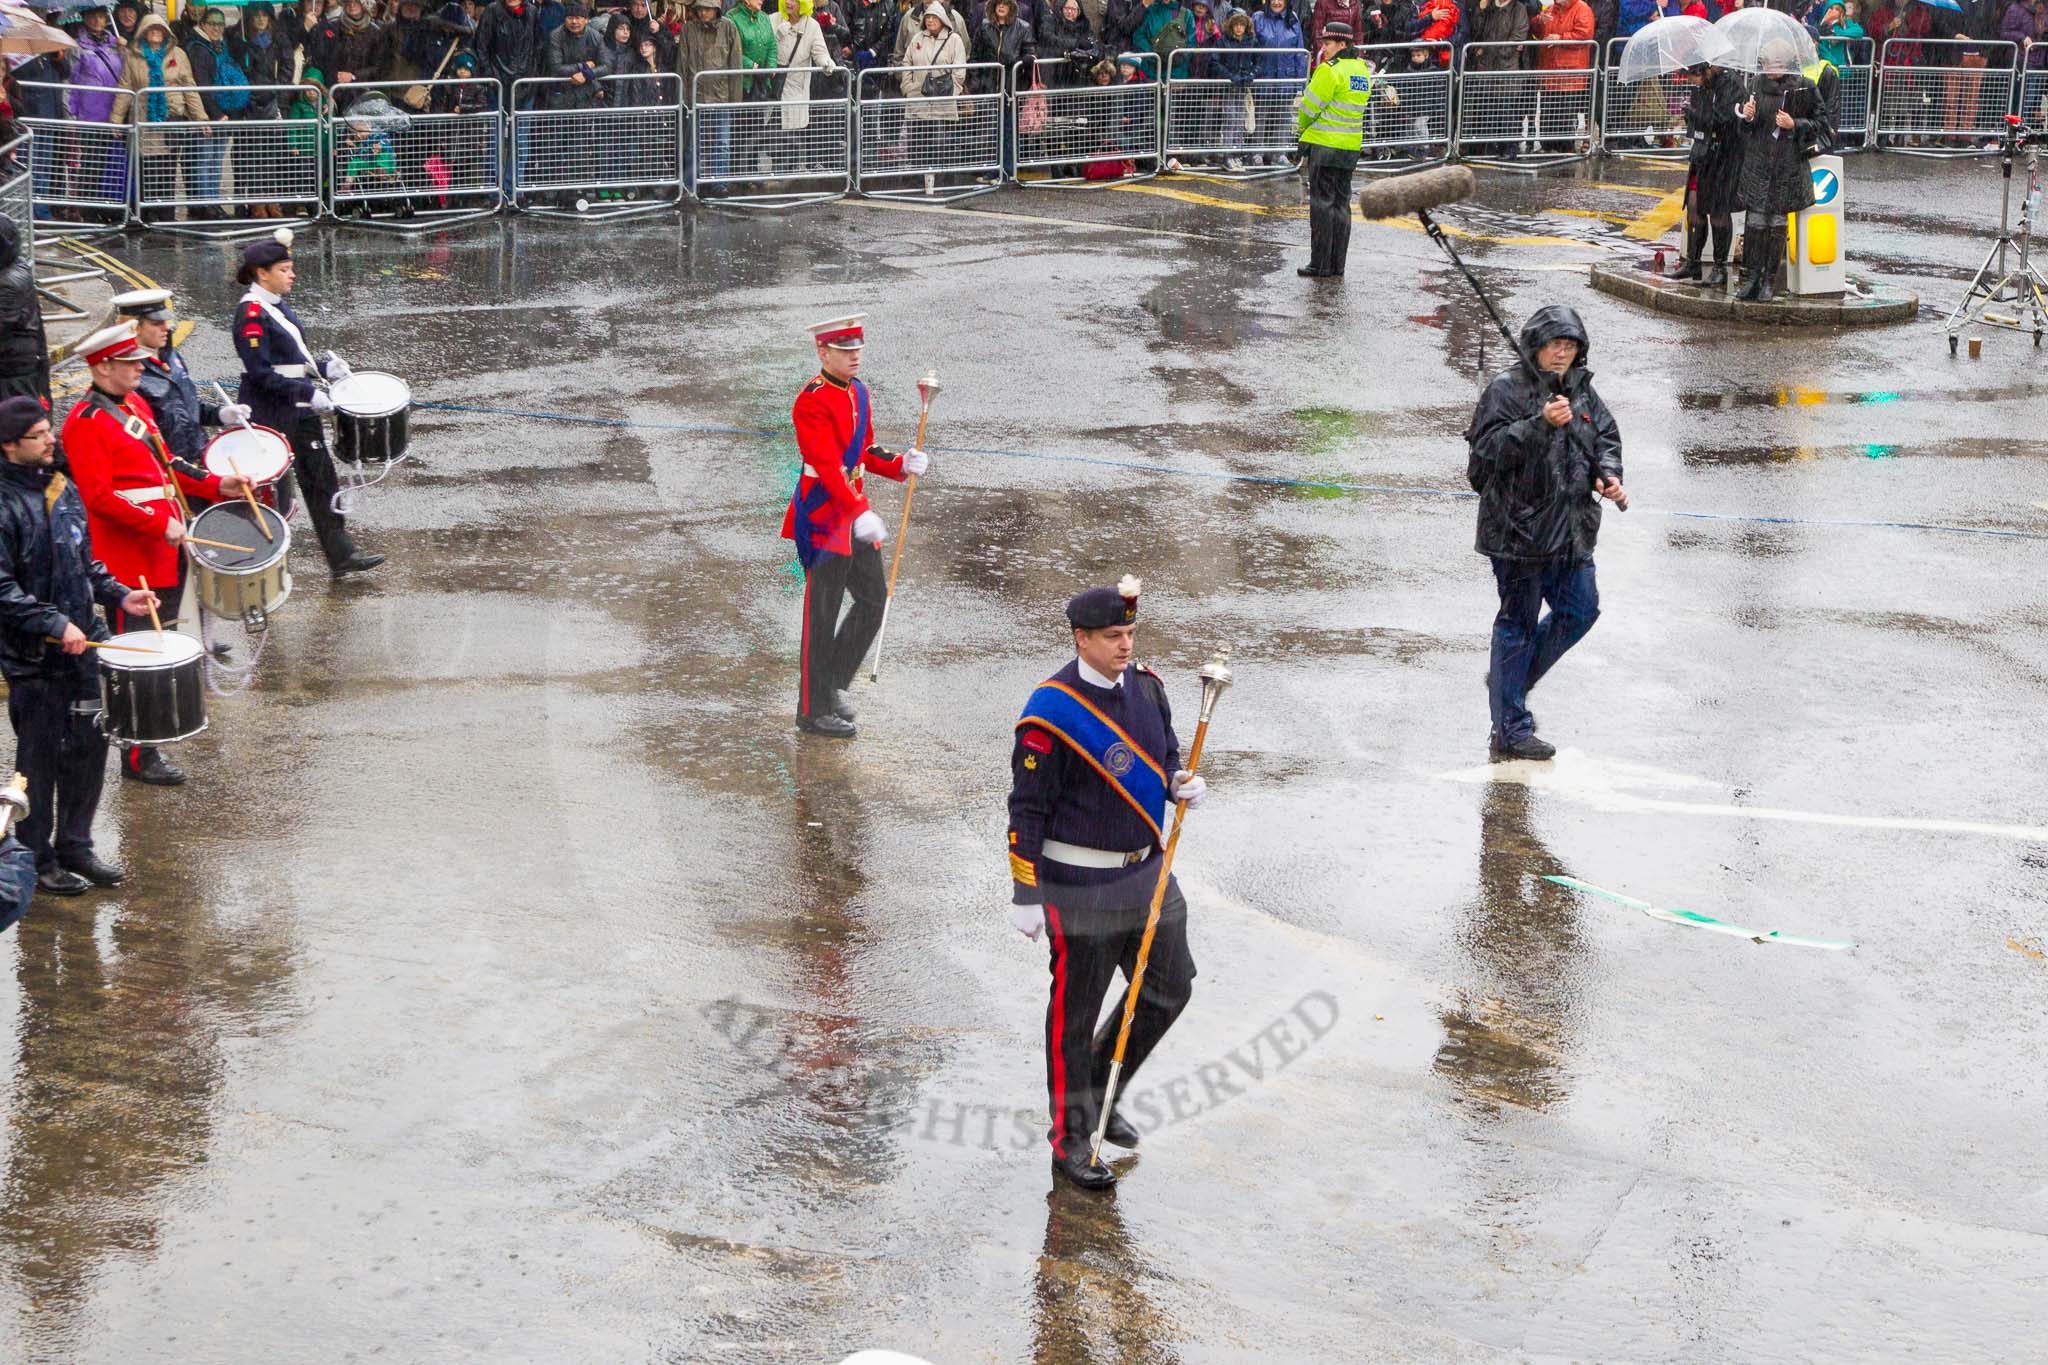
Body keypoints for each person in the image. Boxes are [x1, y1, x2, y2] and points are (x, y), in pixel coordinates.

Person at [1006, 577, 1207, 1192]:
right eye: (1113, 637)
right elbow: (1027, 809)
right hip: (1078, 883)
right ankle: (1070, 1137)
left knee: (1171, 987)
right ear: (1081, 639)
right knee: (1076, 1011)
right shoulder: (1048, 716)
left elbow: (1166, 753)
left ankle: (1098, 1084)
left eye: (1129, 634)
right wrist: (1026, 891)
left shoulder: (1148, 687)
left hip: (1146, 870)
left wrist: (1177, 781)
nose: (1125, 646)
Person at [60, 324, 251, 786]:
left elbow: (168, 467)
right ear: (103, 366)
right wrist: (155, 523)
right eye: (130, 362)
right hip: (132, 555)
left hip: (164, 545)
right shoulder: (83, 423)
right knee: (137, 655)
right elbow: (99, 496)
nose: (140, 368)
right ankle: (138, 756)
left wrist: (213, 485)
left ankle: (149, 738)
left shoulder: (136, 404)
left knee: (159, 642)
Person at [0, 394, 161, 896]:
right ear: (9, 445)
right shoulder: (3, 505)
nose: (52, 440)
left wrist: (119, 593)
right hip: (35, 660)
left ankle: (76, 847)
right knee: (39, 763)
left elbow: (84, 563)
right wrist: (52, 624)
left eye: (50, 431)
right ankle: (36, 858)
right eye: (39, 436)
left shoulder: (60, 486)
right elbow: (2, 589)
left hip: (83, 647)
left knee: (90, 749)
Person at [1463, 306, 1626, 762]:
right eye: (1555, 345)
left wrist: (1606, 474)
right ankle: (1510, 728)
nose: (1562, 354)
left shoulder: (1583, 392)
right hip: (1518, 533)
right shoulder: (1505, 391)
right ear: (1535, 345)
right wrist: (1539, 425)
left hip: (1571, 531)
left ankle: (1508, 681)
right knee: (1516, 625)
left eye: (1571, 347)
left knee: (1581, 610)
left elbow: (1606, 438)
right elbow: (1487, 452)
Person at [780, 315, 929, 739]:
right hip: (824, 516)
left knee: (873, 599)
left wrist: (900, 464)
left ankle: (831, 686)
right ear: (823, 353)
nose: (854, 356)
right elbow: (828, 465)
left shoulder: (859, 392)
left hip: (854, 513)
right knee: (821, 616)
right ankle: (811, 710)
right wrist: (859, 510)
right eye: (845, 350)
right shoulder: (811, 400)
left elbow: (862, 450)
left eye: (857, 349)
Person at [232, 229, 387, 578]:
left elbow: (292, 359)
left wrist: (323, 368)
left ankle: (341, 553)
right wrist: (307, 392)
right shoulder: (251, 315)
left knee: (321, 479)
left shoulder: (276, 307)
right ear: (262, 274)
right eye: (285, 269)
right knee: (275, 493)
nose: (292, 275)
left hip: (299, 407)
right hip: (272, 412)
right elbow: (260, 373)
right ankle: (259, 564)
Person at [121, 288, 253, 473]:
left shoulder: (171, 356)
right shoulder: (128, 371)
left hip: (198, 458)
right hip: (168, 468)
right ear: (134, 327)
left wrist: (220, 414)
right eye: (156, 323)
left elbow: (186, 406)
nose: (166, 327)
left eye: (165, 321)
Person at [1733, 39, 1825, 301]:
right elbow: (1745, 130)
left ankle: (1768, 280)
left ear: (1786, 63)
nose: (1769, 69)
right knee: (1755, 222)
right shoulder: (1755, 85)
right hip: (1759, 163)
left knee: (1776, 223)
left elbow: (1821, 122)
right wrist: (1748, 117)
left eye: (1774, 64)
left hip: (1787, 165)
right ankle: (1750, 277)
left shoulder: (1804, 87)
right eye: (1765, 64)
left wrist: (1793, 123)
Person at [111, 13, 212, 223]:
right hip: (143, 122)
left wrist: (201, 117)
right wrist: (116, 120)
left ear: (166, 32)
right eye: (151, 29)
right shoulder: (132, 56)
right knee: (145, 172)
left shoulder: (178, 54)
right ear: (144, 32)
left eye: (159, 29)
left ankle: (166, 217)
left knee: (167, 171)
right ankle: (146, 216)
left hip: (170, 121)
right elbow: (125, 87)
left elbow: (189, 88)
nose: (155, 33)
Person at [1295, 22, 1369, 278]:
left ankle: (1320, 264)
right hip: (1349, 148)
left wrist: (1301, 127)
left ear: (1342, 44)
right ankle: (1338, 265)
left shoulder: (1329, 70)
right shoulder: (1361, 69)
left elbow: (1308, 109)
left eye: (1327, 43)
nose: (1323, 47)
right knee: (1341, 206)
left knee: (1322, 207)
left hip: (1325, 146)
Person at [1670, 60, 1743, 287]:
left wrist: (1695, 113)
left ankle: (1720, 268)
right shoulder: (1704, 86)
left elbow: (1724, 120)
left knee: (1719, 211)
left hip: (1725, 155)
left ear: (1706, 70)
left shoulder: (1732, 84)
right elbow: (1700, 121)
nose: (1694, 83)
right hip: (1702, 152)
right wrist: (1691, 114)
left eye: (1695, 78)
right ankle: (1693, 261)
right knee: (1694, 205)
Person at [677, 0, 743, 192]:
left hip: (721, 95)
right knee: (691, 145)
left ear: (716, 9)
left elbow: (735, 65)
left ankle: (719, 183)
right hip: (694, 97)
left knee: (721, 143)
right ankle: (690, 184)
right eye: (701, 8)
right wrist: (682, 98)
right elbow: (681, 65)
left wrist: (735, 101)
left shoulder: (729, 27)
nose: (703, 12)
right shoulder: (688, 29)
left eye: (707, 9)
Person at [0, 220, 50, 406]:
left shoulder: (8, 284)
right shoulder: (13, 266)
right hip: (17, 368)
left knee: (21, 429)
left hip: (13, 375)